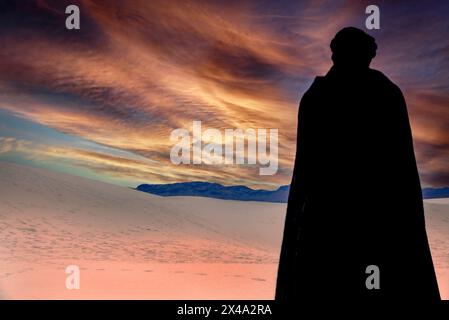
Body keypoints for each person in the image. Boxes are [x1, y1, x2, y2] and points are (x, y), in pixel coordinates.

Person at [276, 27, 440, 301]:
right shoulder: (380, 93)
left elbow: (399, 166)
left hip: (347, 221)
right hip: (351, 221)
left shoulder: (323, 96)